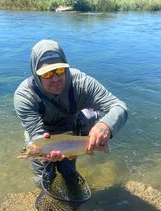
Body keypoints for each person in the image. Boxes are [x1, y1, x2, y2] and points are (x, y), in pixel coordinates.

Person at [14, 39, 128, 188]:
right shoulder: (24, 96)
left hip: (70, 129)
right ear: (36, 74)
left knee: (69, 172)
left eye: (60, 70)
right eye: (47, 74)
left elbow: (120, 107)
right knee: (43, 177)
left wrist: (105, 126)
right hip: (41, 136)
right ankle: (45, 185)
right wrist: (44, 151)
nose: (55, 78)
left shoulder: (81, 83)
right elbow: (36, 134)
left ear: (66, 67)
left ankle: (70, 179)